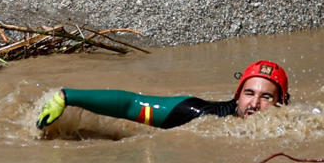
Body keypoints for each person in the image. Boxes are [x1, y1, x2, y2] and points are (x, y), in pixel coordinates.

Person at [36, 59, 290, 132]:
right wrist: (66, 97)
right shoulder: (195, 114)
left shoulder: (292, 126)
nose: (255, 104)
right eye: (249, 93)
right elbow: (130, 104)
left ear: (282, 103)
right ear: (237, 96)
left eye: (266, 97)